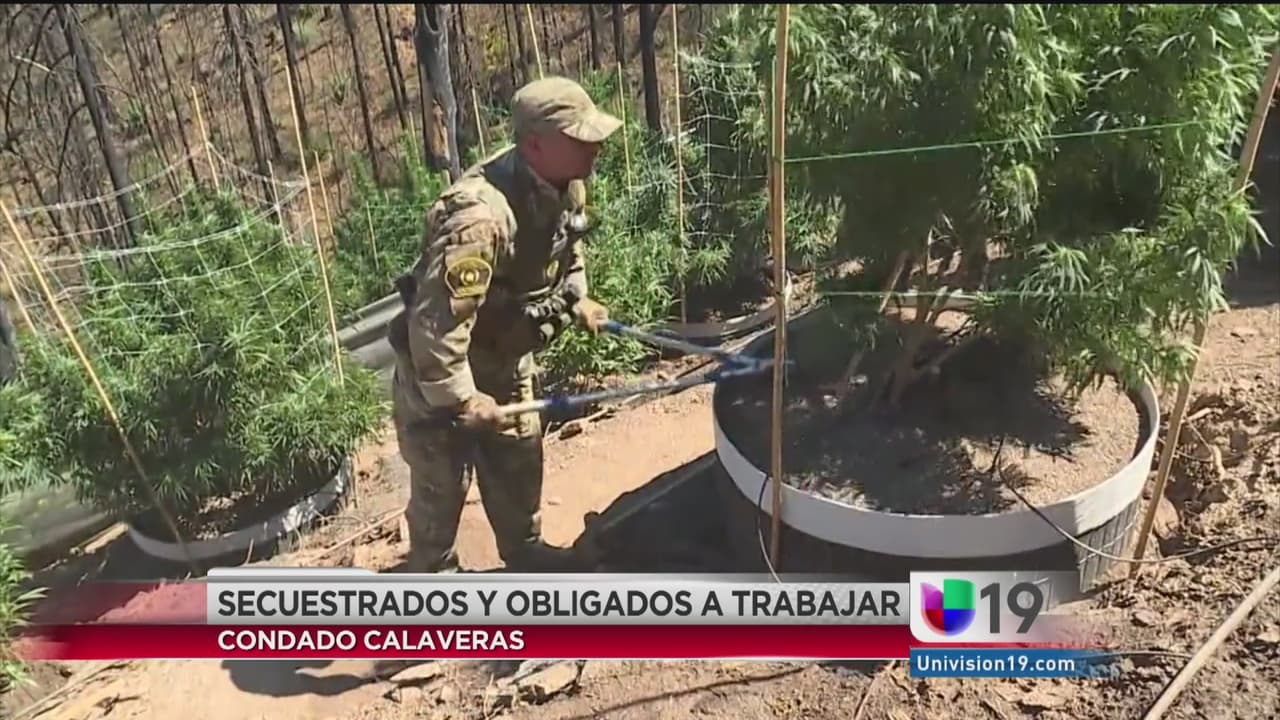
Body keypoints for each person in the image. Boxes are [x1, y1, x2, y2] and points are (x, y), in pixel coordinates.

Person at [386, 76, 621, 574]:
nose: (595, 145)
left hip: (505, 358)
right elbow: (436, 325)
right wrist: (463, 400)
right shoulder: (479, 219)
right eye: (579, 137)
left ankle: (525, 553)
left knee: (518, 461)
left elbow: (566, 249)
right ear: (535, 145)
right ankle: (433, 582)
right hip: (441, 377)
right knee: (441, 486)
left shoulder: (566, 184)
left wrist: (577, 298)